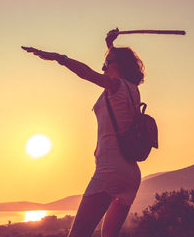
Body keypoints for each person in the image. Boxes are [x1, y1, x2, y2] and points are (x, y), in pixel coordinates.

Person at [22, 28, 145, 237]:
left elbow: (86, 73)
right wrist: (109, 45)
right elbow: (116, 62)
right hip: (130, 175)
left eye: (107, 63)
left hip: (109, 171)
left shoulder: (114, 85)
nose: (103, 67)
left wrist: (59, 58)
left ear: (118, 67)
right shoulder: (132, 89)